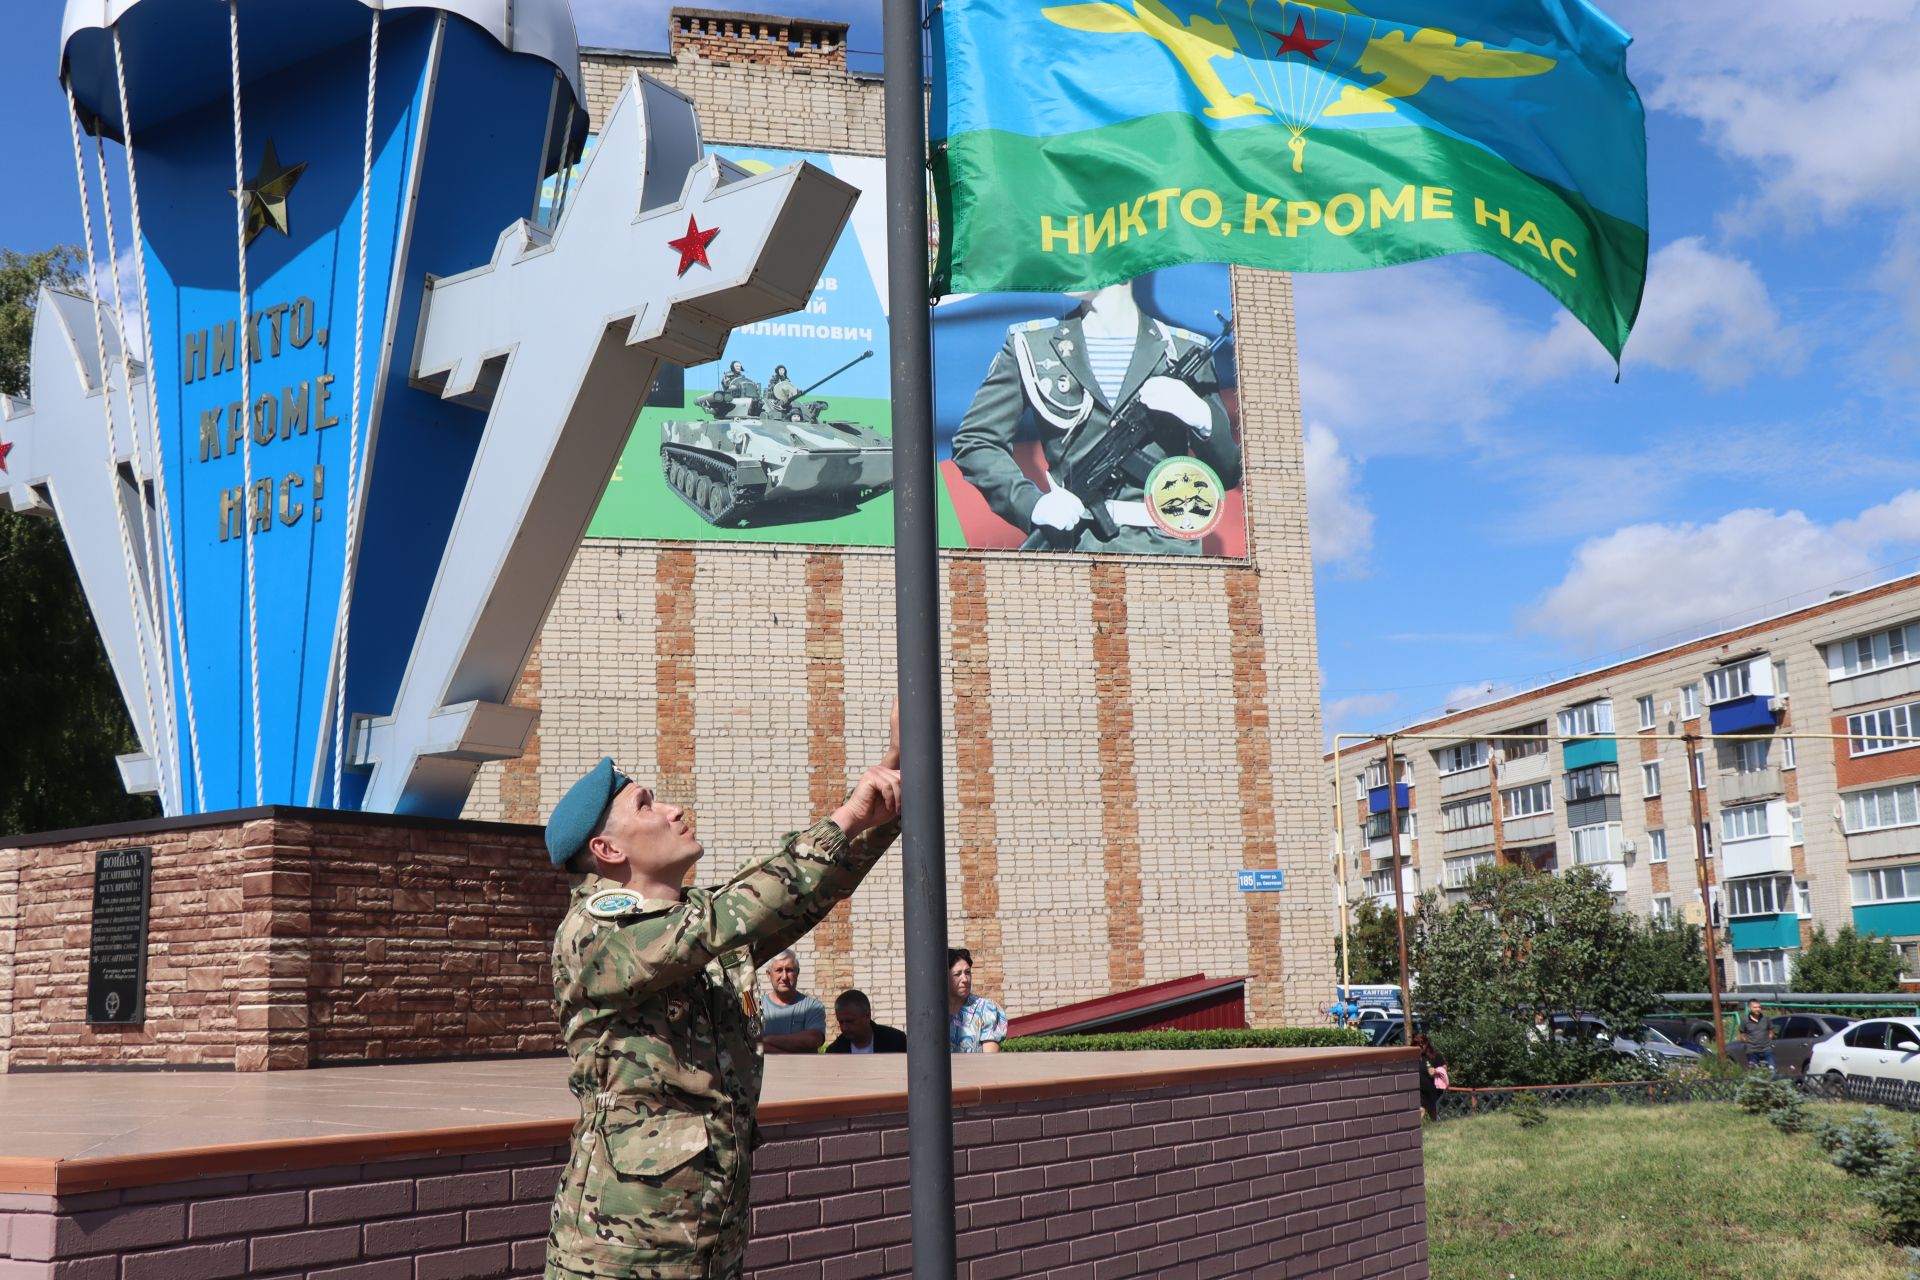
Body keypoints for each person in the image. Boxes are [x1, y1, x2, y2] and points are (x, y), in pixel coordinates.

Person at [542, 702, 900, 1279]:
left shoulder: (694, 926)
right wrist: (845, 818)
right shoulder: (592, 934)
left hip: (709, 1240)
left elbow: (796, 896)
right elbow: (735, 911)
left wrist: (889, 787)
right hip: (620, 1255)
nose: (675, 809)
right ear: (608, 851)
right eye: (646, 803)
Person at [950, 279, 1239, 555]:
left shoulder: (1182, 350)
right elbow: (975, 441)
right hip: (1076, 543)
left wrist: (1202, 418)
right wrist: (1033, 505)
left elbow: (1226, 472)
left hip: (1164, 550)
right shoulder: (1031, 345)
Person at [759, 950, 826, 1054]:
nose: (784, 977)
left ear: (797, 972)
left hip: (802, 1070)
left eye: (789, 970)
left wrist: (767, 1040)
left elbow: (813, 1039)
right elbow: (749, 1047)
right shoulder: (756, 1007)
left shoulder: (812, 1006)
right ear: (768, 974)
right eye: (779, 970)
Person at [947, 947, 1008, 1053]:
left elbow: (990, 1061)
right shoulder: (932, 1011)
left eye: (967, 972)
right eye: (957, 974)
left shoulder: (986, 1009)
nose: (965, 979)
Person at [824, 989, 907, 1054]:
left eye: (850, 1021)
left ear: (867, 1016)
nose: (845, 1027)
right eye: (841, 1022)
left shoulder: (896, 1041)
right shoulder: (834, 1051)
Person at [1412, 1033, 1448, 1120]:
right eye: (1417, 1043)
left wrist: (1436, 1071)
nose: (1420, 1046)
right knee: (1421, 1110)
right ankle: (1416, 1132)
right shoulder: (1412, 1057)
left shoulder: (1434, 1055)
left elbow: (1444, 1068)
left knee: (1433, 1113)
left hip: (1433, 1090)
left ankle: (1436, 1129)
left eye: (1422, 1043)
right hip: (1419, 1091)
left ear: (1426, 1043)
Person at [1736, 999, 1774, 1071]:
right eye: (1755, 1007)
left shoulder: (1766, 1019)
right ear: (1749, 1008)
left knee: (1772, 1070)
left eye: (1759, 1007)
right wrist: (1747, 1041)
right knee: (1754, 1072)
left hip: (1767, 1049)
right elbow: (1742, 1033)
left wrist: (1768, 1039)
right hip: (1752, 1051)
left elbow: (1771, 1031)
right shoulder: (1745, 1020)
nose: (1758, 1009)